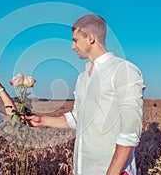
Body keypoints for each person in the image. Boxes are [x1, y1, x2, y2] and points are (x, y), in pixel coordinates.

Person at [27, 15, 145, 175]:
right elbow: (77, 118)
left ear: (90, 38)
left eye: (75, 40)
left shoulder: (123, 71)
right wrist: (42, 121)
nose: (72, 46)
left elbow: (130, 132)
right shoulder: (82, 78)